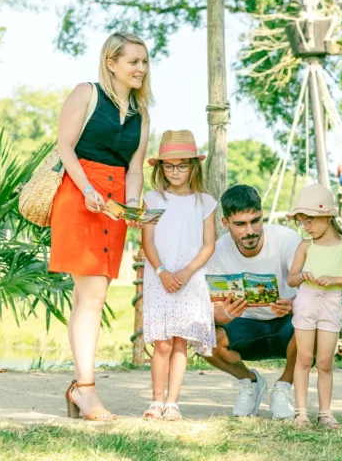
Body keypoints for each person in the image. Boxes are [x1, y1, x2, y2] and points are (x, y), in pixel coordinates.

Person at [51, 33, 152, 421]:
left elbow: (136, 168)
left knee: (91, 296)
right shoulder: (86, 93)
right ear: (111, 62)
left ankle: (80, 386)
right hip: (80, 194)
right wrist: (88, 189)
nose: (141, 69)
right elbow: (65, 147)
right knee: (91, 295)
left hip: (116, 203)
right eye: (134, 62)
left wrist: (131, 208)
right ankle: (87, 391)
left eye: (144, 62)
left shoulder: (142, 113)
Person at [204, 185, 302, 419]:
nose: (250, 231)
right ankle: (249, 382)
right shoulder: (217, 251)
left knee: (313, 321)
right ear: (225, 223)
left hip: (287, 325)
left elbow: (312, 289)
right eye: (240, 224)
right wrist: (224, 313)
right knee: (204, 338)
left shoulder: (287, 239)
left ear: (262, 214)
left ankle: (284, 387)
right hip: (245, 325)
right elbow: (211, 307)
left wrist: (293, 303)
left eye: (255, 221)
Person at [140, 130, 217, 421]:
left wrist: (185, 272)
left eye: (182, 165)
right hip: (160, 276)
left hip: (190, 277)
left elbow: (208, 245)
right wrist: (162, 272)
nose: (175, 171)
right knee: (163, 342)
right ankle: (156, 401)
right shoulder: (152, 199)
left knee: (180, 340)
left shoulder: (205, 203)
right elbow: (147, 241)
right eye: (169, 166)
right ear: (160, 168)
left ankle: (173, 402)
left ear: (193, 167)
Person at [286, 183, 342, 429]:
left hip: (331, 302)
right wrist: (303, 277)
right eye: (301, 222)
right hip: (307, 300)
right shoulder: (305, 246)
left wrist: (335, 280)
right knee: (304, 358)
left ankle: (325, 413)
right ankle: (301, 412)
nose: (306, 227)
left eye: (309, 220)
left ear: (327, 217)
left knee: (325, 362)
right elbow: (291, 278)